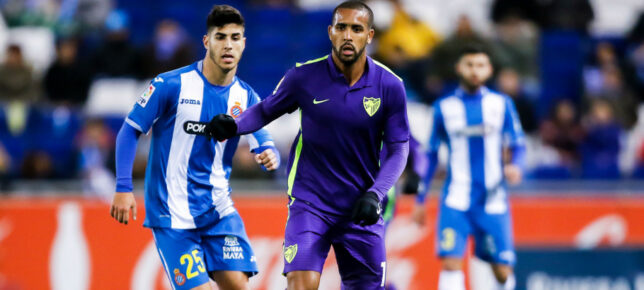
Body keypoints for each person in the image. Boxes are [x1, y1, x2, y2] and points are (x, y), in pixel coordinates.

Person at [205, 1, 410, 289]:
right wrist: (235, 125)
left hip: (362, 205)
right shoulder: (303, 77)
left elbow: (399, 148)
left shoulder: (390, 86)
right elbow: (265, 110)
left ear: (370, 35)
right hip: (310, 203)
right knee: (301, 284)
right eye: (341, 28)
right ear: (330, 32)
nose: (348, 36)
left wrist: (376, 194)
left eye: (356, 29)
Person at [109, 5, 280, 290]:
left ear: (244, 43)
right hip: (172, 214)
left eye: (235, 37)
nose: (228, 45)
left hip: (219, 211)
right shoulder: (170, 84)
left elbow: (262, 139)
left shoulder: (246, 96)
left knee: (238, 286)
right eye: (220, 36)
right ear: (206, 41)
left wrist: (268, 153)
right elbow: (129, 131)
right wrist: (123, 187)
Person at [412, 45, 526, 290]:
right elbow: (430, 156)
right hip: (456, 201)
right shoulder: (443, 108)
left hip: (493, 201)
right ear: (459, 68)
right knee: (451, 264)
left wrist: (516, 166)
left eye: (480, 65)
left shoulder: (502, 104)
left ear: (489, 69)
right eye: (470, 65)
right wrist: (421, 199)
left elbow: (518, 144)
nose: (475, 71)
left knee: (503, 272)